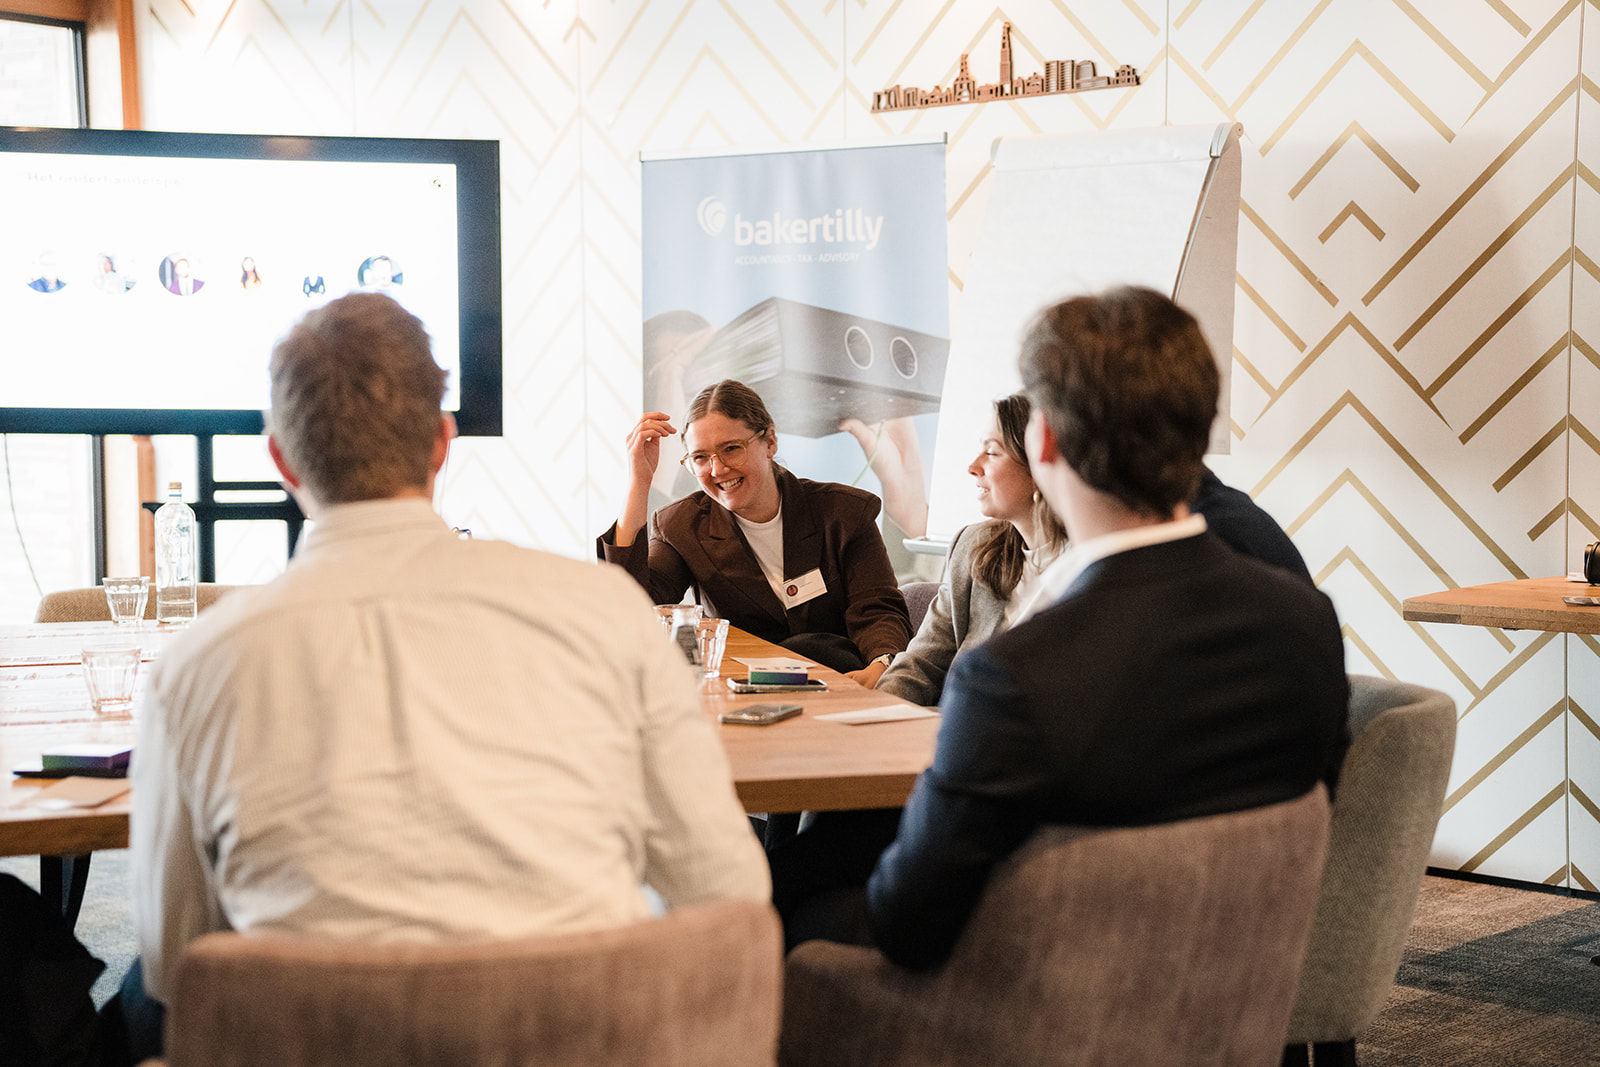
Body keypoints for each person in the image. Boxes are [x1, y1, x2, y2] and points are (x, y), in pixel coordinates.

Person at [115, 293, 769, 1060]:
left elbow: (174, 962)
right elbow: (727, 887)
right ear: (441, 442)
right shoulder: (605, 612)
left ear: (282, 458)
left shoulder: (195, 666)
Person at [858, 287, 1349, 968]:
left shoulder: (1012, 677)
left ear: (1045, 440)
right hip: (1242, 978)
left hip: (1042, 991)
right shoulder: (1306, 619)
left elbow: (908, 924)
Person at [598, 378, 912, 683]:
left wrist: (881, 665)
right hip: (742, 688)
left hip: (839, 679)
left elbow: (877, 610)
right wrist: (639, 482)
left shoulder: (844, 512)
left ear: (770, 442)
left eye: (731, 448)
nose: (717, 469)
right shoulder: (681, 526)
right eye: (700, 458)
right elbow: (634, 606)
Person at [873, 392, 1069, 706]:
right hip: (951, 725)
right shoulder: (973, 545)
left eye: (991, 452)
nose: (973, 467)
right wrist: (878, 713)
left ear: (1039, 465)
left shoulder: (1091, 567)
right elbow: (920, 664)